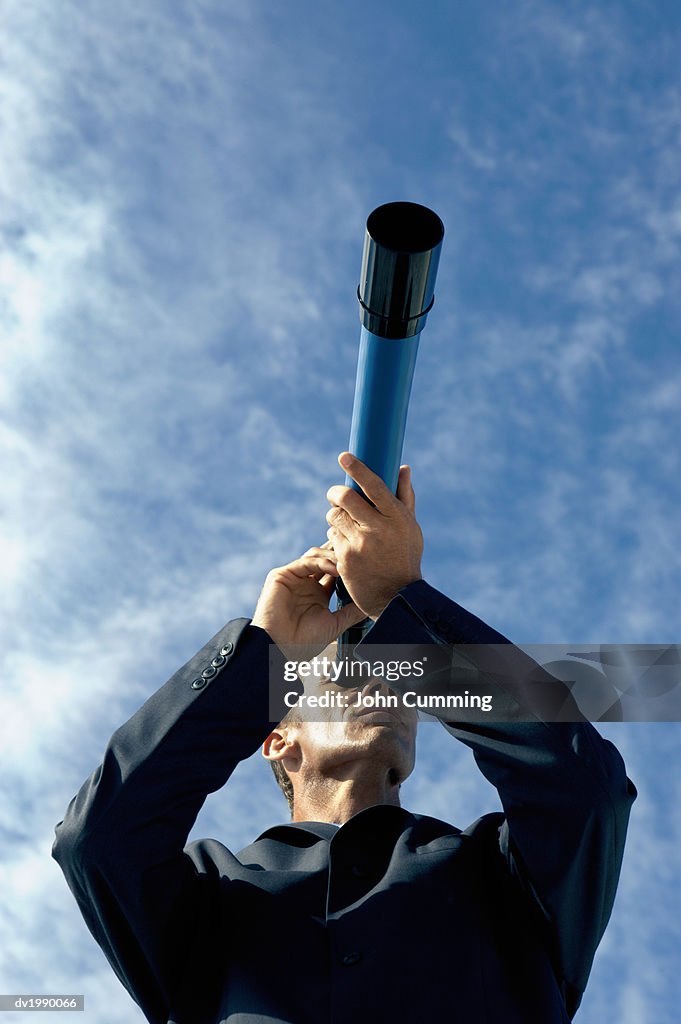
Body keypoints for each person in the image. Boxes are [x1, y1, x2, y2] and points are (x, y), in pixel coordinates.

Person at [52, 453, 636, 1024]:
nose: (382, 679)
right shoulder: (206, 892)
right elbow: (98, 838)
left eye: (398, 674)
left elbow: (583, 786)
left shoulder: (504, 873)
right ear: (279, 737)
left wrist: (405, 609)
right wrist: (265, 658)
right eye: (344, 669)